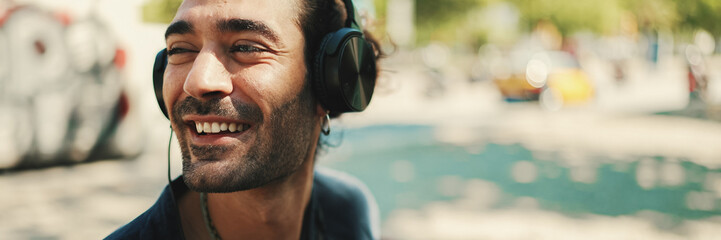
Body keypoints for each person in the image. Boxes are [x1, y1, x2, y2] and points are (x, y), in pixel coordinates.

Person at [106, 0, 383, 239]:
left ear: (334, 80)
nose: (198, 81)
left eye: (247, 47)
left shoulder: (350, 212)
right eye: (180, 50)